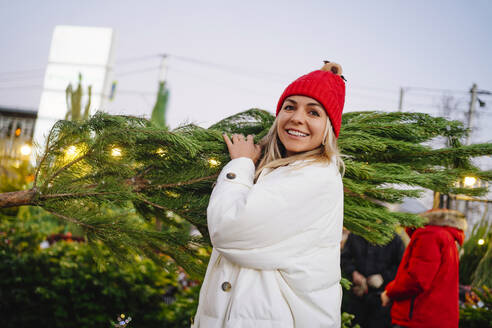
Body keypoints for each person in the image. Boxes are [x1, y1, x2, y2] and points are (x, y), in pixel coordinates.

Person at [191, 61, 346, 327]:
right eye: (290, 107)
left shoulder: (314, 177)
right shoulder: (279, 172)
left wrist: (240, 164)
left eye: (314, 112)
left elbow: (228, 229)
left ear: (328, 129)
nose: (298, 117)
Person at [381, 209, 467, 328]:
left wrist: (389, 292)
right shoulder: (445, 235)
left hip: (418, 318)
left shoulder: (428, 234)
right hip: (436, 318)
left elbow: (417, 279)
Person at [341, 232, 405, 328]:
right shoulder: (355, 235)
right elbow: (344, 258)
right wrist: (354, 273)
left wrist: (383, 277)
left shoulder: (394, 239)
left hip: (381, 301)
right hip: (357, 297)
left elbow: (402, 267)